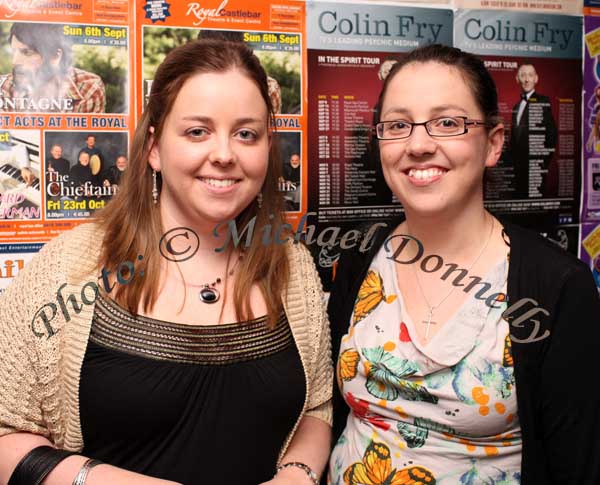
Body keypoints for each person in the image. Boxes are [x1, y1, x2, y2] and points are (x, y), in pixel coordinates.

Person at [0, 39, 333, 485]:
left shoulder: (292, 266)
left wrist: (297, 474)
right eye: (198, 131)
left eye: (246, 133)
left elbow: (317, 406)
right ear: (154, 149)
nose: (224, 154)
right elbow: (5, 434)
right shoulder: (68, 268)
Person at [327, 44, 600, 484]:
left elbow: (579, 464)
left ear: (493, 144)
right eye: (398, 125)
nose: (418, 144)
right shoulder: (361, 257)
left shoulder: (557, 285)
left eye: (448, 123)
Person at [0, 22, 105, 113]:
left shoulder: (88, 87)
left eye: (27, 52)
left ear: (55, 56)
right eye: (14, 51)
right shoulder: (4, 87)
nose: (15, 61)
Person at [508, 63, 557, 198]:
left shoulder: (543, 101)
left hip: (535, 167)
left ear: (536, 78)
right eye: (523, 75)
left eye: (530, 75)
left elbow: (552, 135)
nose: (527, 79)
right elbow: (515, 137)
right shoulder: (516, 106)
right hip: (516, 168)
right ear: (517, 79)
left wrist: (542, 163)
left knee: (535, 207)